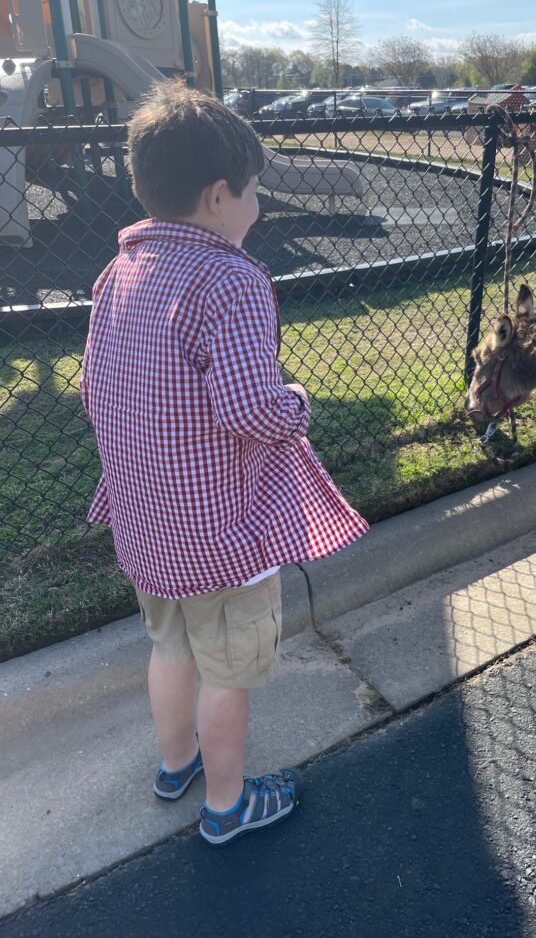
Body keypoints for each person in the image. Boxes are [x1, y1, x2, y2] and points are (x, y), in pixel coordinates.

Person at [80, 80, 368, 846]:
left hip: (146, 525)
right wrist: (298, 402)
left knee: (170, 649)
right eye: (254, 192)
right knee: (228, 671)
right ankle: (228, 805)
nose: (258, 208)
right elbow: (249, 410)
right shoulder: (232, 280)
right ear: (217, 197)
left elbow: (91, 389)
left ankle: (177, 765)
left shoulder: (119, 273)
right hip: (222, 534)